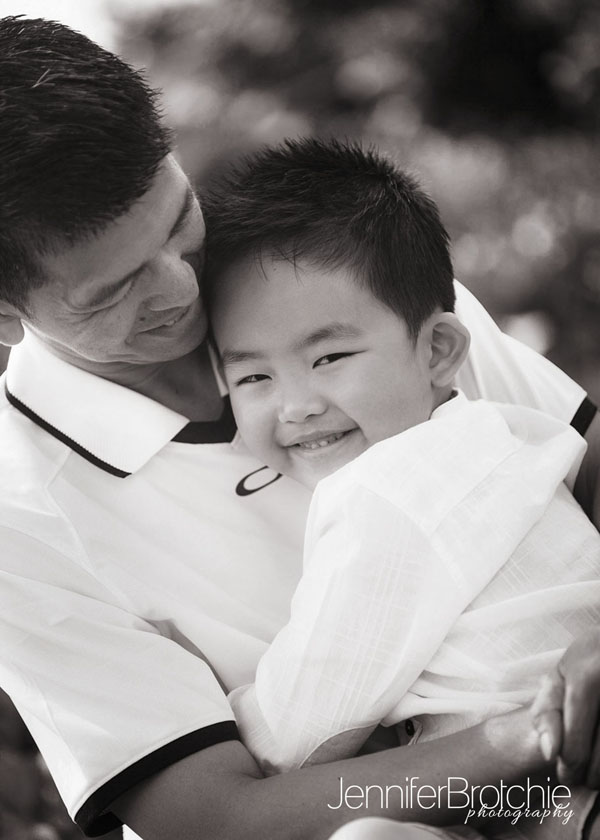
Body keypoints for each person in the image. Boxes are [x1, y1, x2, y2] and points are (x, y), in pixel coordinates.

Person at [0, 15, 599, 840]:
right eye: (113, 293)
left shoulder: (337, 282)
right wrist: (539, 734)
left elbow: (584, 467)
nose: (181, 288)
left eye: (177, 222)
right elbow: (220, 820)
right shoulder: (23, 522)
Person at [203, 138, 600, 837]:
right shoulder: (491, 434)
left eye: (330, 357)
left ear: (439, 350)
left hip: (558, 793)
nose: (296, 405)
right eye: (253, 376)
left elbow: (301, 728)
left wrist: (222, 713)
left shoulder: (387, 492)